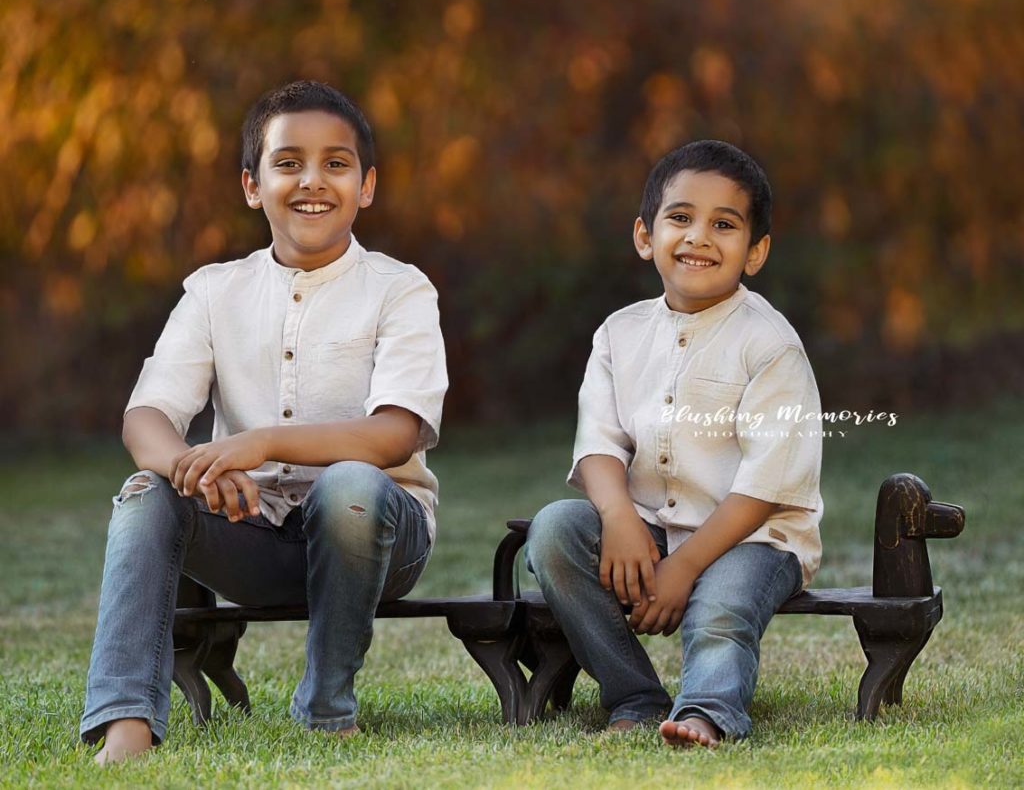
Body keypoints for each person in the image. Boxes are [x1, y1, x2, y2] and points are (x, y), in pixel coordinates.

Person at [80, 81, 447, 764]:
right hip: (255, 535)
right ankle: (126, 722)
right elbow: (147, 414)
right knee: (143, 492)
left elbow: (395, 434)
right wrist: (191, 467)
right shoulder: (214, 291)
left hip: (377, 533)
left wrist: (258, 443)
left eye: (336, 163)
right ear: (252, 185)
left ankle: (328, 705)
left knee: (349, 487)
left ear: (366, 186)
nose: (312, 180)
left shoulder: (400, 288)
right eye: (288, 162)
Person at [526, 140, 823, 748]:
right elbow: (599, 445)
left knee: (723, 605)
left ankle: (707, 713)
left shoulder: (770, 345)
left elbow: (766, 486)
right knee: (555, 532)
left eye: (724, 225)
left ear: (756, 251)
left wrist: (684, 566)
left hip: (754, 538)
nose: (699, 238)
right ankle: (633, 695)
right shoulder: (618, 333)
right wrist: (617, 519)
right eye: (681, 218)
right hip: (648, 524)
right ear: (645, 235)